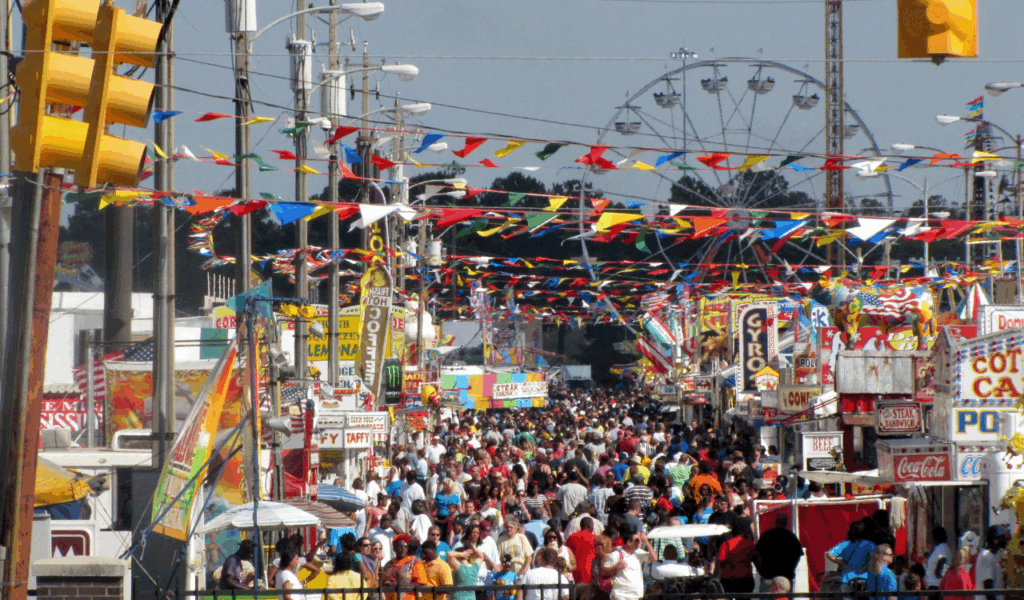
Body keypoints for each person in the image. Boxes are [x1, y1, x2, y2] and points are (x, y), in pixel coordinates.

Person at [753, 513, 804, 591]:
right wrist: (791, 569)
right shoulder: (791, 536)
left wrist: (762, 571)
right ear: (786, 523)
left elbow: (755, 556)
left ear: (776, 522)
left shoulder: (767, 535)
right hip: (785, 577)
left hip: (768, 576)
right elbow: (798, 555)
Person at [602, 530, 654, 600]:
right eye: (637, 540)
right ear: (629, 542)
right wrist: (616, 568)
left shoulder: (639, 553)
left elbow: (654, 557)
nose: (639, 542)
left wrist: (646, 541)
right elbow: (604, 572)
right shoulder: (616, 555)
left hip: (636, 595)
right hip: (621, 595)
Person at [827, 520, 877, 592]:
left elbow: (829, 554)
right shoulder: (869, 544)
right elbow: (875, 559)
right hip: (865, 579)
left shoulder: (845, 544)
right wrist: (866, 567)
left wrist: (841, 563)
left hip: (847, 579)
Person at [716, 520, 757, 594]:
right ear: (743, 531)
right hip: (745, 579)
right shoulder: (750, 545)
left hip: (728, 579)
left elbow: (721, 562)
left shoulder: (725, 545)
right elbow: (755, 560)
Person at [381, 535, 419, 600]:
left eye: (406, 546)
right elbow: (383, 583)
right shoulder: (388, 565)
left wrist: (399, 584)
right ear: (394, 548)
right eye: (400, 546)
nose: (403, 548)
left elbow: (421, 585)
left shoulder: (414, 562)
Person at [976, 526, 1008, 594]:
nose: (1006, 540)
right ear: (995, 539)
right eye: (1003, 537)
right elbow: (987, 586)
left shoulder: (994, 556)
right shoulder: (986, 556)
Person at [565, 517, 597, 585]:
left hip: (574, 572)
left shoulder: (571, 538)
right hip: (590, 571)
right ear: (590, 527)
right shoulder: (595, 538)